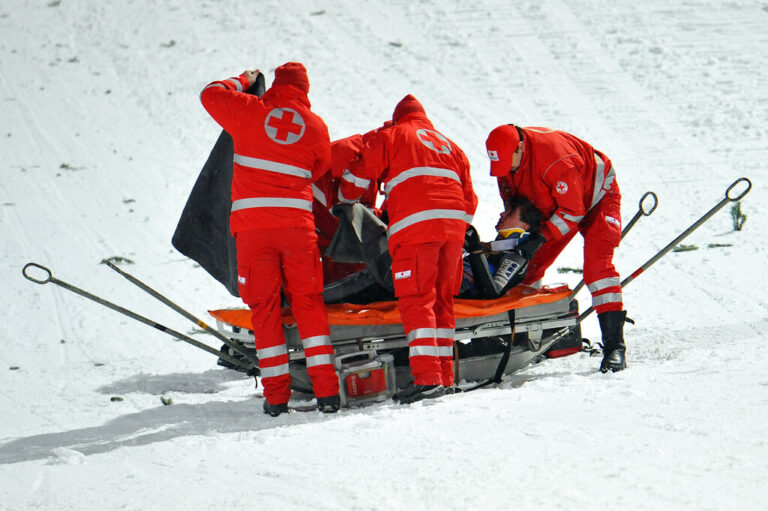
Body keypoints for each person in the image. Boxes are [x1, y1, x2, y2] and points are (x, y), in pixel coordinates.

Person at [200, 62, 340, 416]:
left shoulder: (250, 110)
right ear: (305, 90)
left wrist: (243, 80)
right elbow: (320, 168)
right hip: (297, 229)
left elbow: (210, 94)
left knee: (265, 310)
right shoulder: (315, 126)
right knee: (308, 304)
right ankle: (327, 394)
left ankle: (277, 398)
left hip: (253, 231)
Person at [339, 94, 478, 402]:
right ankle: (446, 377)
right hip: (454, 229)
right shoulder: (450, 146)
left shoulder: (391, 136)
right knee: (443, 301)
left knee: (417, 300)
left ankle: (428, 379)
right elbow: (470, 204)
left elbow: (353, 183)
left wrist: (345, 198)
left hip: (416, 230)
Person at [485, 124, 627, 372]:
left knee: (597, 269)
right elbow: (517, 208)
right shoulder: (506, 163)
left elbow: (573, 212)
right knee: (527, 267)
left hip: (596, 197)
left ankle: (615, 347)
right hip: (557, 203)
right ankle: (521, 336)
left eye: (510, 164)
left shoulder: (556, 159)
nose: (506, 172)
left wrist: (540, 237)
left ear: (520, 148)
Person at [462, 195, 543, 299]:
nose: (502, 214)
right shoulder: (491, 248)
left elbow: (491, 293)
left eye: (510, 214)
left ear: (524, 226)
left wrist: (476, 253)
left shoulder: (516, 258)